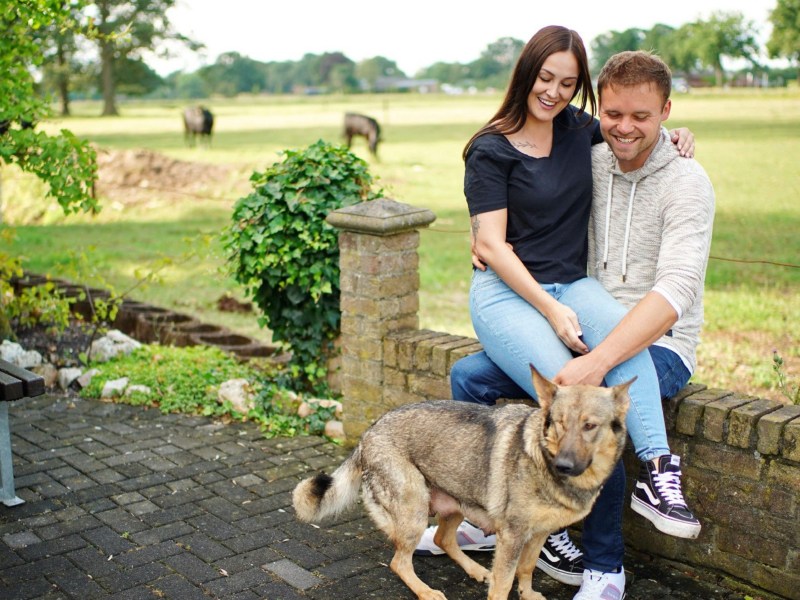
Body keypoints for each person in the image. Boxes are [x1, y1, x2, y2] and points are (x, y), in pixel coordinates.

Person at [416, 30, 715, 600]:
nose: (626, 128)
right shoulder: (593, 149)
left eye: (644, 117)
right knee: (468, 378)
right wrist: (490, 245)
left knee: (588, 399)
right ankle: (501, 517)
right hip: (576, 316)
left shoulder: (682, 179)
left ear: (667, 114)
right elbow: (502, 225)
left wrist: (596, 360)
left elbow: (675, 292)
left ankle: (606, 565)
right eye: (616, 115)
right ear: (599, 111)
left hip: (655, 344)